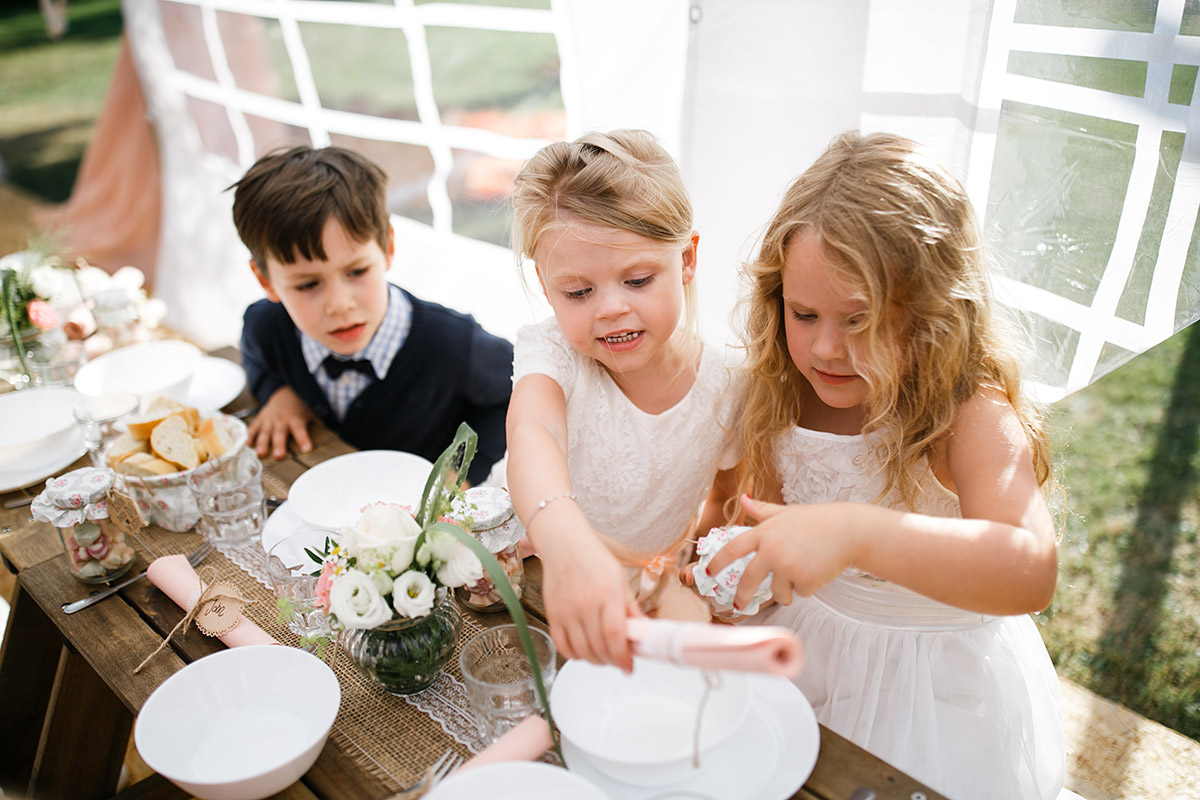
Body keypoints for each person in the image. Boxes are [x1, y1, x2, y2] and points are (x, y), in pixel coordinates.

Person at [704, 131, 1065, 799]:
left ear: (930, 314)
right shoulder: (785, 389)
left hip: (936, 696)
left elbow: (1031, 570)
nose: (826, 349)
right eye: (804, 313)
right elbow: (772, 523)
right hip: (808, 655)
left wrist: (855, 532)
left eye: (861, 320)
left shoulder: (969, 415)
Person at [505, 130, 740, 670]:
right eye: (579, 292)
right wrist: (566, 545)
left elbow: (728, 490)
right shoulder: (554, 352)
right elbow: (532, 433)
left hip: (640, 586)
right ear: (546, 285)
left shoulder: (730, 385)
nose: (610, 309)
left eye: (636, 280)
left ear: (686, 259)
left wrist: (692, 572)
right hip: (540, 564)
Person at [232, 146, 512, 485]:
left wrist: (460, 471)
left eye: (356, 272)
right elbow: (255, 354)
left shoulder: (455, 344)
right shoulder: (266, 326)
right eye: (307, 285)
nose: (339, 304)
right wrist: (278, 394)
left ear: (387, 249)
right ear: (266, 281)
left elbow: (514, 394)